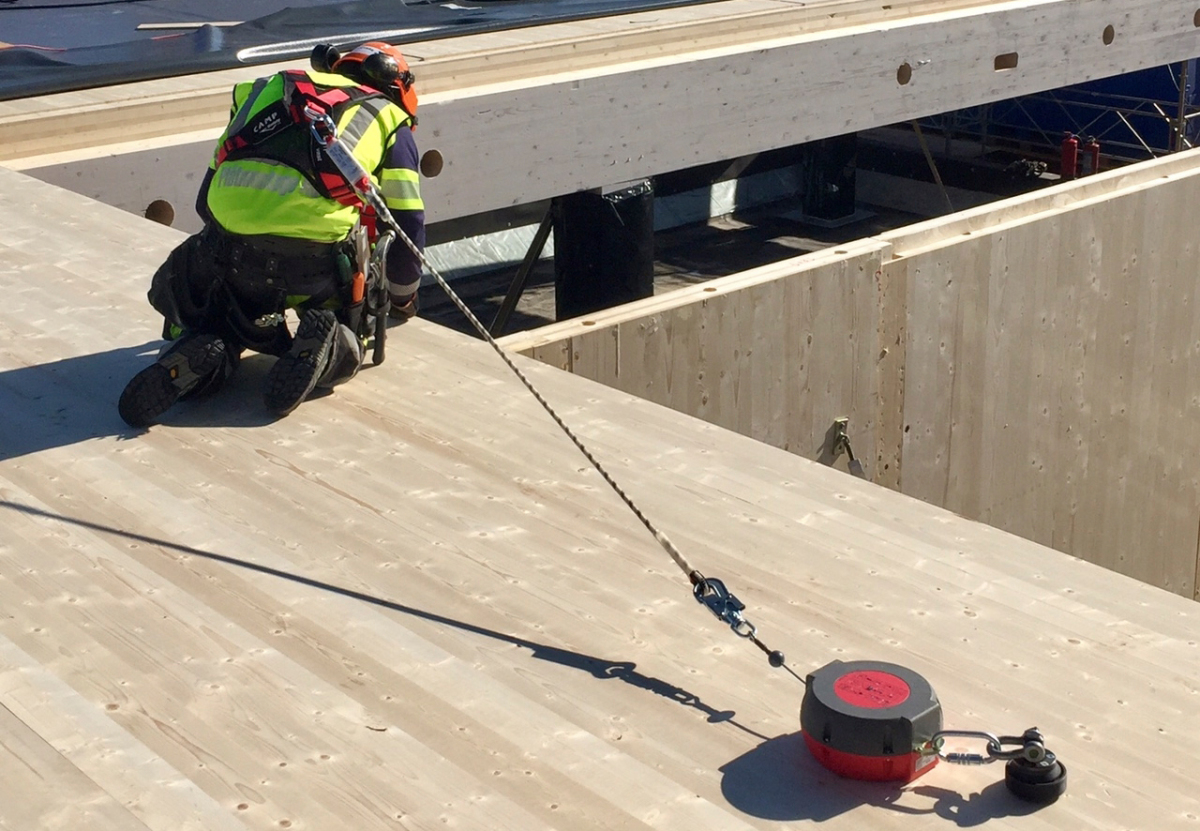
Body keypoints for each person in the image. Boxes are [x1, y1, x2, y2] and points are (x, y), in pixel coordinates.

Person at [118, 41, 426, 428]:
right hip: (315, 267)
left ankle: (209, 348)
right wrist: (402, 296)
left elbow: (204, 202)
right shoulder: (386, 117)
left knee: (221, 303)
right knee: (359, 296)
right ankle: (328, 343)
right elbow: (407, 223)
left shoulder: (265, 90)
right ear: (398, 88)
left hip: (226, 255)